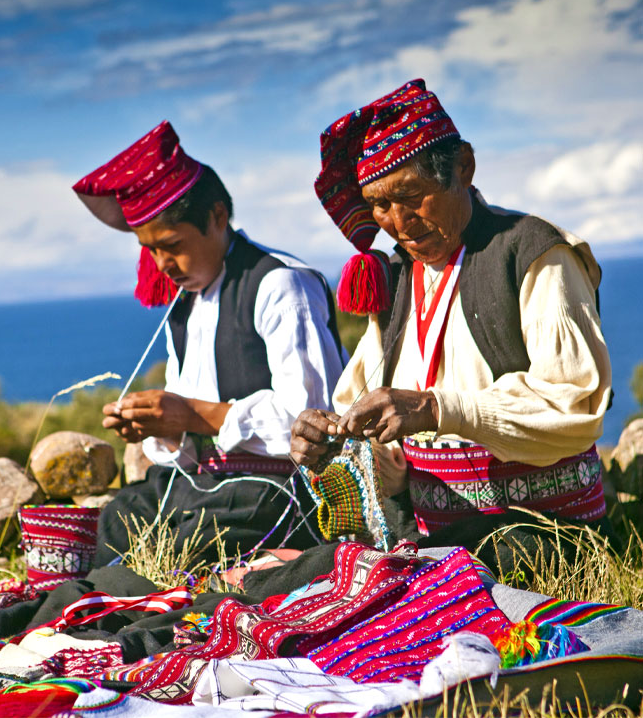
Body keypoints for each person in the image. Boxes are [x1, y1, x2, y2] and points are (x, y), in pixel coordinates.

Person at [290, 78, 612, 545]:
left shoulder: (534, 253)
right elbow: (390, 463)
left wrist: (436, 408)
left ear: (464, 167)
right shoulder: (399, 278)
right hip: (435, 541)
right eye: (379, 205)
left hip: (541, 534)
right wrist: (332, 447)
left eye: (411, 195)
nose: (398, 224)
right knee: (287, 590)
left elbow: (575, 406)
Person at [73, 120, 346, 565]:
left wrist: (195, 415)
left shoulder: (281, 285)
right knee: (118, 519)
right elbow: (184, 441)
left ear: (218, 216)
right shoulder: (184, 307)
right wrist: (159, 426)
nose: (162, 264)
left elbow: (316, 425)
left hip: (275, 494)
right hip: (202, 488)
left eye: (172, 244)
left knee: (182, 549)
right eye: (151, 250)